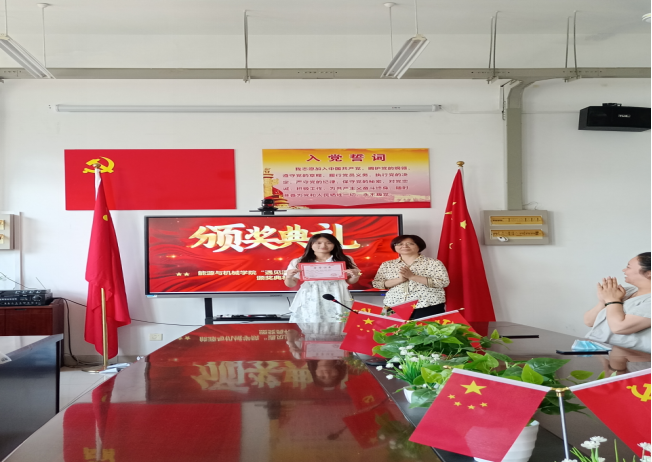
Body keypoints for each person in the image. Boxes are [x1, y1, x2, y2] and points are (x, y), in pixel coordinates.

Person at [584, 252, 651, 354]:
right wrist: (603, 301)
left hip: (629, 357)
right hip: (598, 350)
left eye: (628, 267)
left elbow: (619, 328)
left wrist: (612, 301)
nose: (624, 270)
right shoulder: (625, 292)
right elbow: (589, 322)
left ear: (649, 273)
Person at [285, 234, 361, 323]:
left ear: (335, 244)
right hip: (311, 295)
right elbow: (291, 284)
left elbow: (350, 281)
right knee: (311, 322)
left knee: (340, 321)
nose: (323, 246)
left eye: (329, 243)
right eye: (318, 243)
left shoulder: (345, 259)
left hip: (337, 294)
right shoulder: (299, 261)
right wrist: (289, 277)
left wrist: (355, 276)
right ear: (311, 244)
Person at [372, 235, 450, 319]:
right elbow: (377, 284)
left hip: (427, 305)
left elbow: (443, 282)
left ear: (419, 246)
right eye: (399, 244)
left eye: (410, 243)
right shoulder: (387, 264)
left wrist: (412, 277)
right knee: (392, 328)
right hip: (393, 305)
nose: (404, 246)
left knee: (427, 328)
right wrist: (400, 280)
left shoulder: (433, 263)